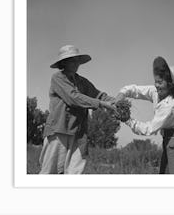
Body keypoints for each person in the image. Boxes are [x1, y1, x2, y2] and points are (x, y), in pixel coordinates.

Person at [39, 45, 116, 174]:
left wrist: (115, 101)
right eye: (72, 60)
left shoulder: (82, 81)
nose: (76, 63)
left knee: (75, 173)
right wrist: (102, 104)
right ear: (64, 62)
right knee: (50, 172)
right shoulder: (57, 78)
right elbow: (73, 98)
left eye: (77, 60)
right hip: (59, 131)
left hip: (78, 134)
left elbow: (98, 94)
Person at [115, 56, 174, 174]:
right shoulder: (156, 91)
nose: (157, 85)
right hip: (168, 141)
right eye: (156, 81)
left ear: (170, 85)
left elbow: (149, 129)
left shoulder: (169, 105)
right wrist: (122, 93)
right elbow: (136, 90)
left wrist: (128, 120)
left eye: (160, 82)